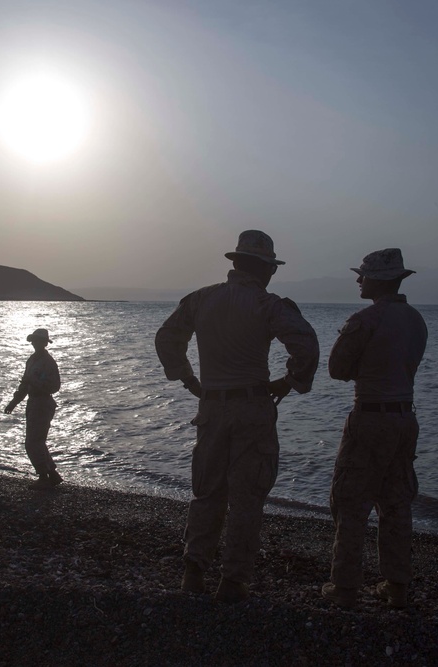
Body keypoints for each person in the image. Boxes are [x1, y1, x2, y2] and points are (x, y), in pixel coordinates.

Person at [155, 230, 320, 603]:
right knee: (247, 498)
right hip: (252, 407)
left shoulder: (202, 299)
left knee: (207, 493)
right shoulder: (268, 304)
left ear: (236, 262)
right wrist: (291, 381)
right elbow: (306, 344)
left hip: (212, 407)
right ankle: (232, 581)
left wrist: (188, 379)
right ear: (265, 268)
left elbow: (167, 337)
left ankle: (194, 572)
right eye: (272, 268)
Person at [322, 248, 428, 609]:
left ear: (377, 281)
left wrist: (363, 368)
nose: (358, 280)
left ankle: (344, 586)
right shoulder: (416, 320)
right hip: (405, 418)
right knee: (396, 502)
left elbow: (337, 369)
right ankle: (396, 585)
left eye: (363, 275)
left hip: (370, 417)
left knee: (350, 501)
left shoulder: (365, 319)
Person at [5, 328, 63, 490]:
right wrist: (14, 402)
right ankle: (52, 474)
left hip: (43, 403)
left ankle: (44, 476)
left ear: (44, 343)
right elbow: (24, 384)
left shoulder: (48, 362)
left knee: (33, 442)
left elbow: (54, 386)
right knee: (37, 441)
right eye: (34, 341)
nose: (35, 343)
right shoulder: (31, 360)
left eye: (38, 341)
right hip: (33, 402)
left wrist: (35, 383)